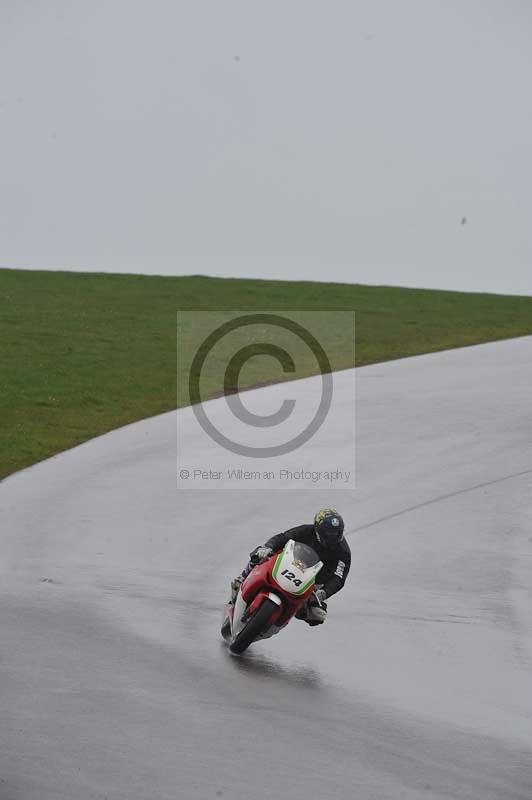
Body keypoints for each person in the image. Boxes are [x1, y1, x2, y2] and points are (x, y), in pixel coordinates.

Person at [230, 508, 351, 626]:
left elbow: (339, 577)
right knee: (260, 553)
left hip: (314, 581)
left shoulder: (343, 552)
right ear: (318, 529)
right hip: (289, 563)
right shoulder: (306, 531)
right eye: (329, 533)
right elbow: (283, 538)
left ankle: (289, 612)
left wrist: (324, 593)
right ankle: (243, 577)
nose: (333, 537)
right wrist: (268, 547)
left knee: (317, 615)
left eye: (337, 533)